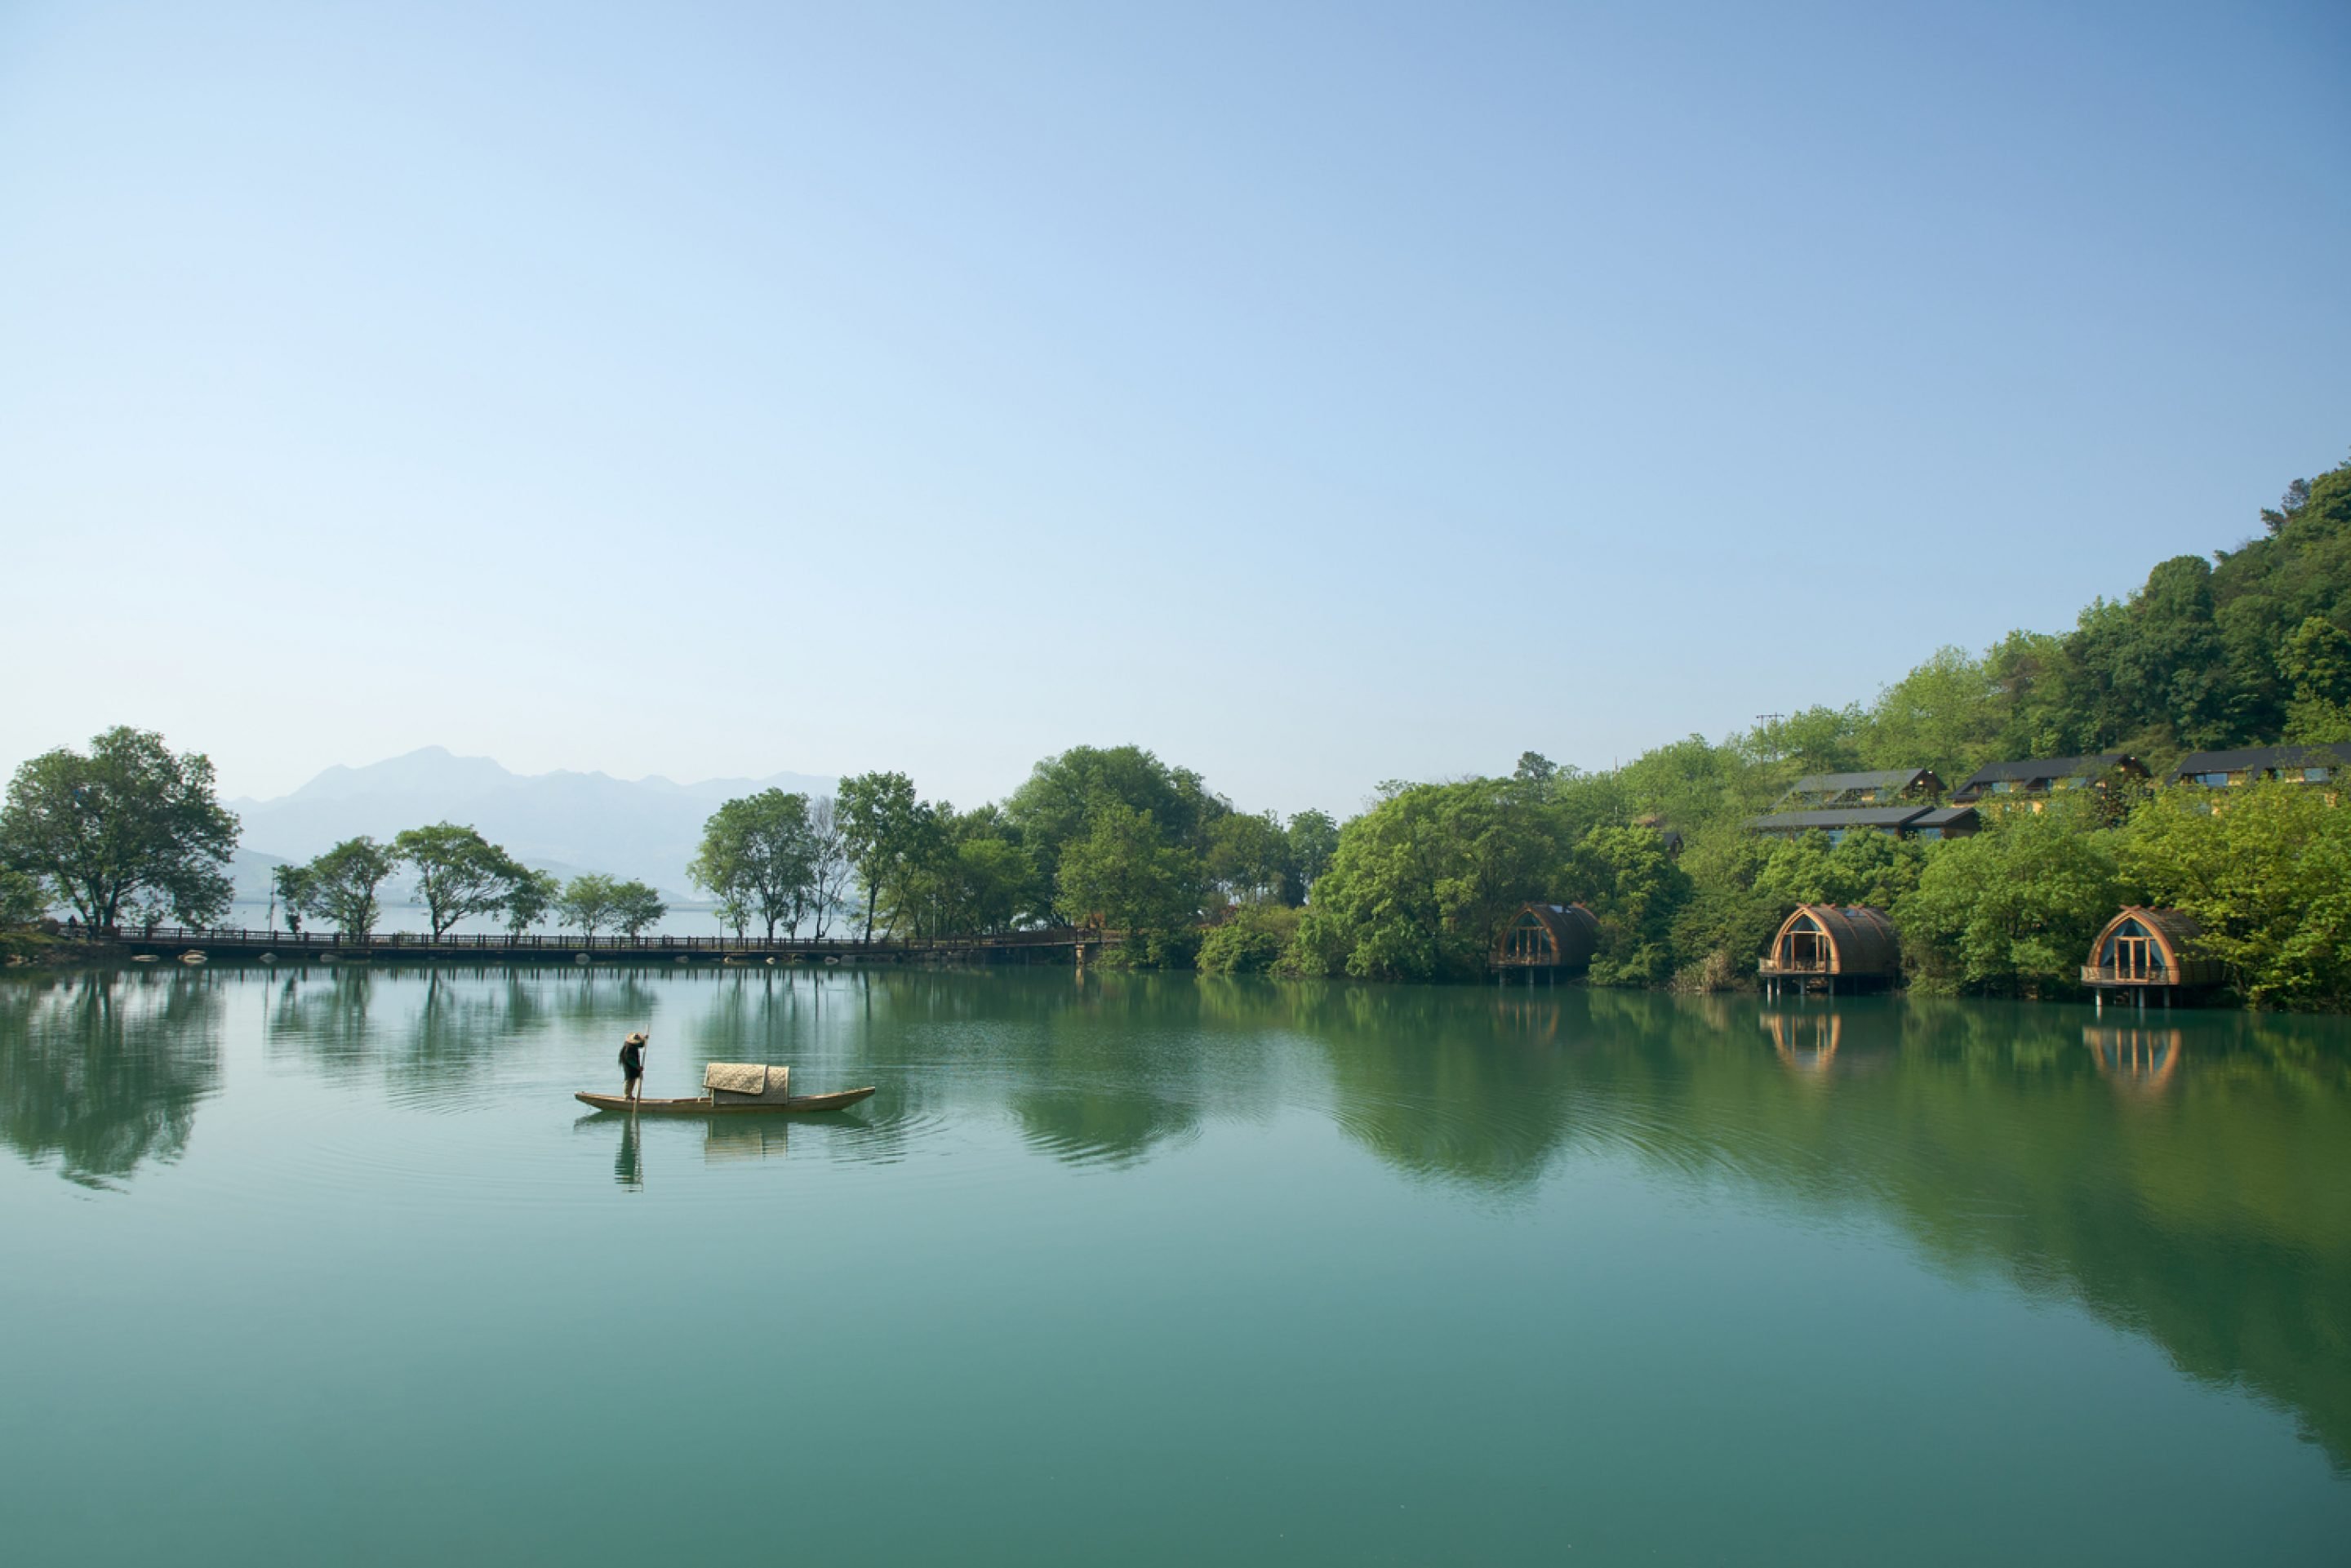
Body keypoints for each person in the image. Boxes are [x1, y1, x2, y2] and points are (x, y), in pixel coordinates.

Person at [619, 1031, 649, 1104]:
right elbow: (629, 1059)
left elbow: (641, 1045)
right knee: (629, 1079)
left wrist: (645, 1039)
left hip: (634, 1064)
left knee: (634, 1079)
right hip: (629, 1065)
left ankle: (630, 1096)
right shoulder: (628, 1047)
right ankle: (627, 1096)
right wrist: (637, 1067)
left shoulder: (634, 1045)